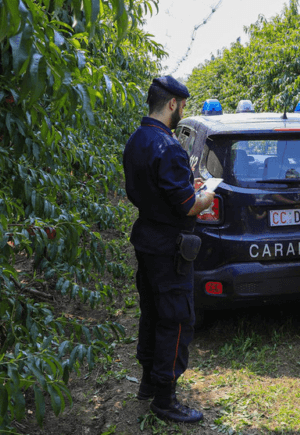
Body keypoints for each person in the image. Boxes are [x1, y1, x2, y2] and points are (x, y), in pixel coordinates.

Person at [123, 76, 215, 422]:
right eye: (182, 106)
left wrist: (183, 189)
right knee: (176, 319)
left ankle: (148, 382)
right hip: (169, 249)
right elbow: (188, 206)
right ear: (173, 104)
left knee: (152, 312)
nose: (182, 112)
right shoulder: (169, 147)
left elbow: (155, 189)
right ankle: (166, 399)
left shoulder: (136, 141)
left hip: (146, 239)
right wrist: (205, 196)